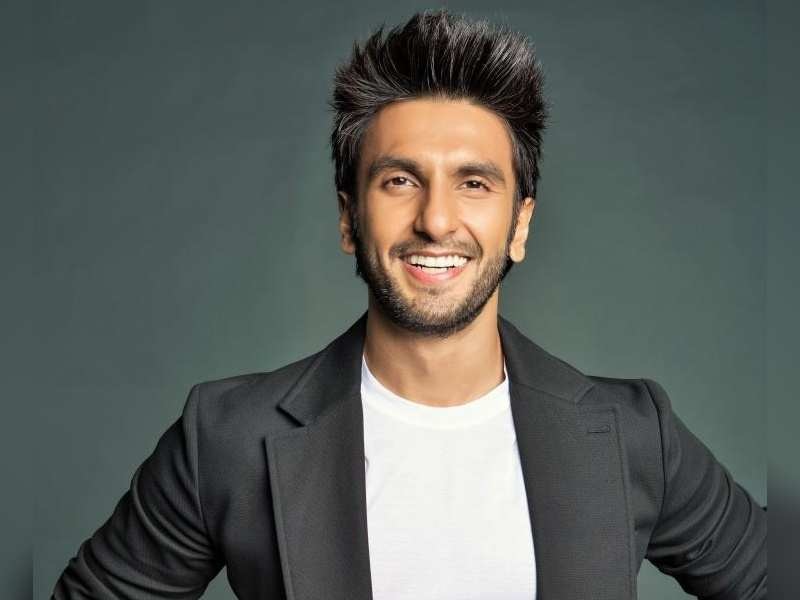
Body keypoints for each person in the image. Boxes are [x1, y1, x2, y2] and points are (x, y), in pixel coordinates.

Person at [52, 9, 766, 600]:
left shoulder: (635, 433)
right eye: (400, 181)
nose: (436, 220)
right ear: (348, 218)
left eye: (474, 184)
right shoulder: (226, 438)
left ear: (519, 224)